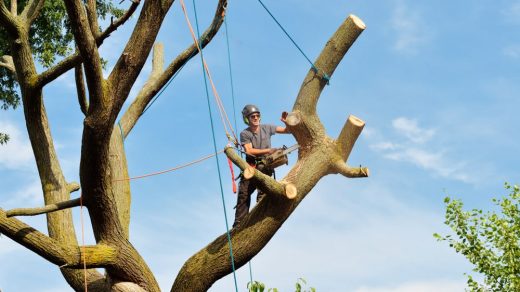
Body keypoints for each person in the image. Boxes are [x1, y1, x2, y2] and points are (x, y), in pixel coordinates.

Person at [233, 104, 290, 227]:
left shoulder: (267, 128)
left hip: (265, 168)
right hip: (251, 168)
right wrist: (268, 151)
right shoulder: (245, 133)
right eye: (252, 116)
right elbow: (249, 151)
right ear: (247, 119)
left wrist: (287, 123)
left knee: (263, 196)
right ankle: (238, 224)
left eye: (257, 115)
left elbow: (288, 131)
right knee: (244, 195)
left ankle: (261, 221)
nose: (255, 118)